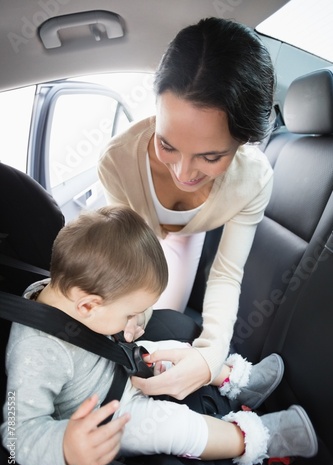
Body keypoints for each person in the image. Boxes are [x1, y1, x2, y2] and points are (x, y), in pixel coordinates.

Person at [1, 206, 317, 465]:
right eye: (130, 314)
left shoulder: (67, 293)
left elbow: (101, 327)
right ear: (88, 306)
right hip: (112, 413)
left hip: (118, 363)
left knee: (172, 351)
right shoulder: (34, 354)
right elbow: (17, 434)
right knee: (175, 427)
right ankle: (259, 438)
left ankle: (239, 382)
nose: (134, 320)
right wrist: (67, 446)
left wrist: (126, 326)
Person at [97, 17, 276, 400]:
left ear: (243, 140)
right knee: (140, 322)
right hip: (141, 243)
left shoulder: (254, 179)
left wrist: (211, 355)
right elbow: (132, 254)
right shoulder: (117, 162)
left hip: (191, 236)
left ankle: (233, 378)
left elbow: (227, 273)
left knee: (173, 330)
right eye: (167, 145)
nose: (182, 172)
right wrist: (133, 311)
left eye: (210, 156)